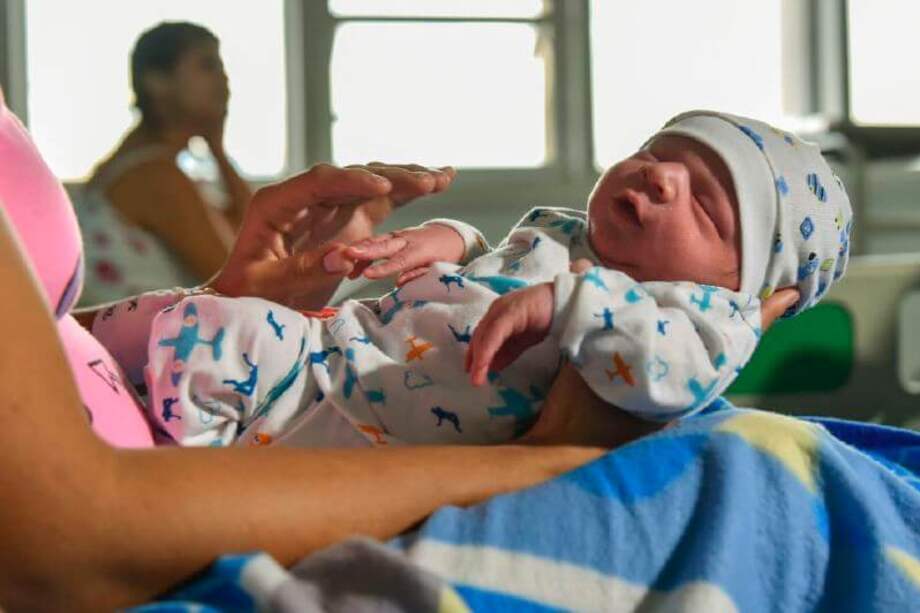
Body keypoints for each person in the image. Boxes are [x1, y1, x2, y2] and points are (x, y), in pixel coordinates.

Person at [131, 111, 847, 448]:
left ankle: (160, 472)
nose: (660, 175)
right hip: (340, 360)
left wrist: (573, 302)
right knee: (180, 324)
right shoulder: (568, 231)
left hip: (379, 436)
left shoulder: (693, 315)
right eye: (657, 151)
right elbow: (502, 266)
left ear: (743, 287)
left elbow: (672, 372)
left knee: (208, 344)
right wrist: (455, 238)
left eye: (707, 200)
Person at [86, 22, 252, 283]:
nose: (224, 79)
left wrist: (217, 149)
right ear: (156, 82)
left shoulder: (148, 165)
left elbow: (247, 235)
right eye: (208, 66)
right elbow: (242, 279)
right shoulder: (152, 175)